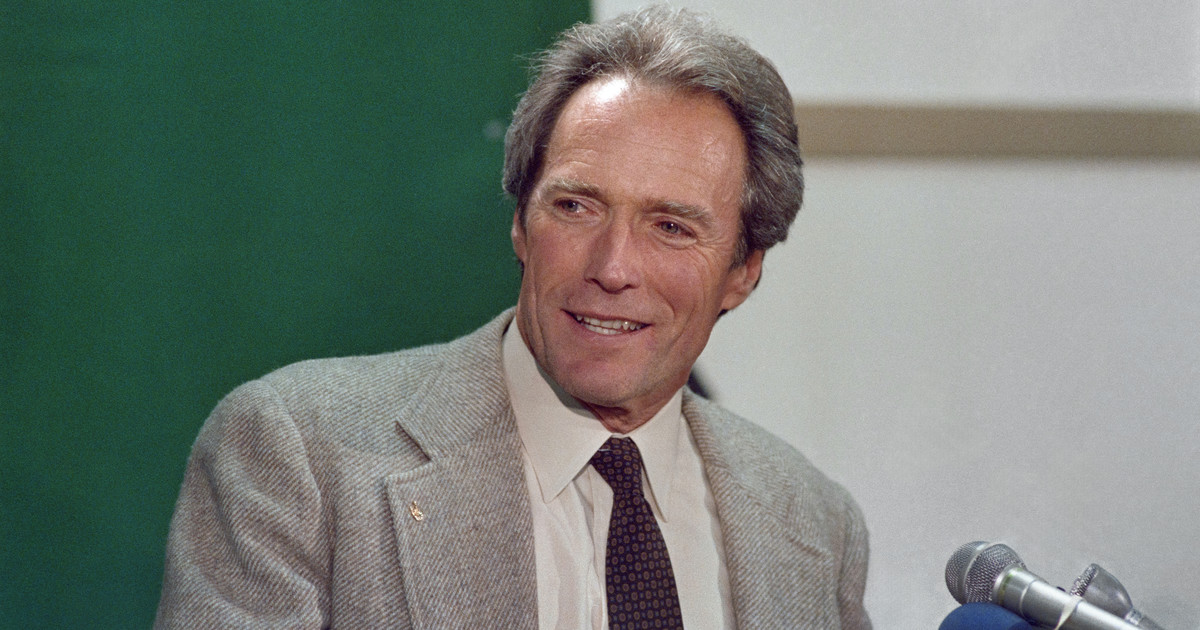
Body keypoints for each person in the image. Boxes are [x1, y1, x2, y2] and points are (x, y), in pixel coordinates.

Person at [155, 6, 870, 629]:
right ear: (521, 224)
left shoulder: (815, 523)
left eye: (671, 228)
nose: (613, 267)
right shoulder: (300, 457)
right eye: (576, 207)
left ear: (743, 272)